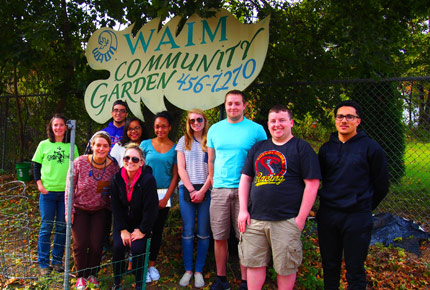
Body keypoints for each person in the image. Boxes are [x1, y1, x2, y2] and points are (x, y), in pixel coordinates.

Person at [237, 104, 321, 290]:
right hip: (255, 219)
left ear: (290, 123)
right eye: (273, 121)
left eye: (282, 120)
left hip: (286, 220)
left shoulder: (302, 148)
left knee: (285, 268)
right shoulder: (258, 148)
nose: (277, 125)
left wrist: (300, 219)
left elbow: (312, 184)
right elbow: (245, 179)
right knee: (253, 263)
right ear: (268, 124)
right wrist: (243, 210)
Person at [317, 100, 389, 290]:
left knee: (355, 269)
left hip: (357, 217)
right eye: (340, 116)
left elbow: (382, 185)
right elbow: (318, 180)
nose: (344, 120)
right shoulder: (326, 149)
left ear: (358, 121)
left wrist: (363, 206)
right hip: (329, 216)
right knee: (330, 266)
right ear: (335, 120)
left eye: (350, 116)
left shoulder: (371, 148)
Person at [207, 90, 267, 290]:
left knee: (246, 237)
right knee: (219, 236)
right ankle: (221, 279)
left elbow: (263, 160)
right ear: (225, 105)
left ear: (244, 106)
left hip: (246, 191)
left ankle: (245, 281)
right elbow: (211, 159)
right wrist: (214, 182)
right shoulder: (215, 129)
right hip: (220, 190)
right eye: (229, 103)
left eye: (237, 103)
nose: (233, 107)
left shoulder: (257, 130)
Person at [65, 131, 120, 290]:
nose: (101, 149)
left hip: (100, 210)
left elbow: (116, 189)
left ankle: (92, 274)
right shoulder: (79, 162)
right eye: (98, 145)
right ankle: (81, 276)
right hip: (80, 208)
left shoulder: (113, 166)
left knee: (96, 245)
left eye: (105, 146)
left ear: (109, 148)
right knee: (80, 244)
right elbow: (69, 188)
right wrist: (69, 211)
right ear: (92, 146)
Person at [32, 114, 79, 276]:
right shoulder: (44, 145)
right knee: (46, 227)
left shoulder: (72, 145)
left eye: (61, 125)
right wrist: (39, 184)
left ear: (66, 127)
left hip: (65, 194)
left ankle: (57, 261)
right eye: (55, 125)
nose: (58, 128)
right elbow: (36, 166)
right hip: (48, 193)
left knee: (62, 227)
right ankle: (43, 263)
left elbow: (77, 169)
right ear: (51, 128)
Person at [110, 144, 159, 290]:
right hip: (123, 224)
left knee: (137, 249)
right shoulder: (116, 178)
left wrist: (142, 230)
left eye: (134, 159)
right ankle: (117, 281)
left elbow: (151, 209)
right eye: (127, 158)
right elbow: (115, 206)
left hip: (141, 225)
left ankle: (139, 283)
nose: (130, 161)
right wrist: (122, 229)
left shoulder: (148, 180)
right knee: (118, 247)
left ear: (141, 162)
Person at [140, 111, 179, 282]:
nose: (160, 129)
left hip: (164, 195)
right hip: (144, 195)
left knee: (157, 231)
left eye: (163, 126)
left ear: (170, 127)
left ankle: (151, 265)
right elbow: (137, 169)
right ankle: (139, 265)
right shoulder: (145, 144)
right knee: (142, 229)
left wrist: (166, 198)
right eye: (157, 126)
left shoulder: (175, 147)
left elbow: (175, 176)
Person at [176, 109, 212, 288]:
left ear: (204, 121)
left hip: (206, 189)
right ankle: (188, 270)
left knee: (204, 232)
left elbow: (213, 170)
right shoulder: (184, 141)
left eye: (199, 119)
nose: (196, 123)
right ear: (188, 123)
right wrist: (191, 190)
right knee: (188, 230)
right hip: (187, 189)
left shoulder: (211, 140)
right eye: (192, 121)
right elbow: (181, 168)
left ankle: (199, 271)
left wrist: (203, 190)